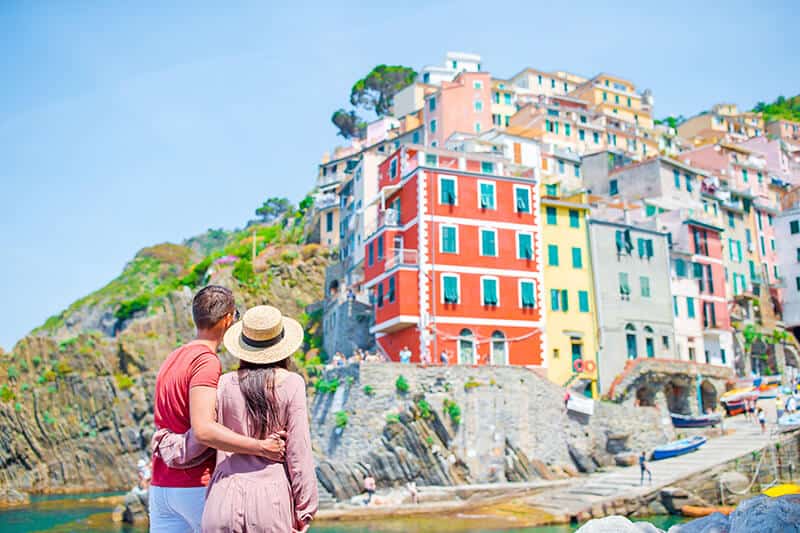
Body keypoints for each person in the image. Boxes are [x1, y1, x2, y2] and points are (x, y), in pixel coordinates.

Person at [149, 286, 286, 533]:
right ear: (227, 319)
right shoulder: (206, 361)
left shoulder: (172, 358)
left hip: (161, 486)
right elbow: (203, 430)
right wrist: (262, 447)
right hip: (195, 485)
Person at [202, 305, 318, 533]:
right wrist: (305, 510)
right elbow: (299, 451)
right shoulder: (292, 383)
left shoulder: (224, 383)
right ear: (282, 347)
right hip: (270, 501)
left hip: (222, 497)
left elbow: (205, 435)